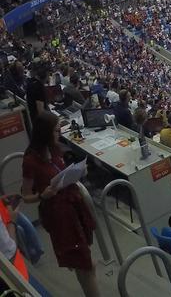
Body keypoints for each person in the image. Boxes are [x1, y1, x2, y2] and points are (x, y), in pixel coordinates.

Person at [20, 112, 99, 297]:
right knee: (87, 266)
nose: (59, 133)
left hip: (73, 206)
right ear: (46, 132)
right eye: (56, 130)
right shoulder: (30, 160)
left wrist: (79, 173)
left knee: (84, 265)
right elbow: (25, 196)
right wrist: (43, 195)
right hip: (59, 216)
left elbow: (62, 174)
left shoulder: (55, 149)